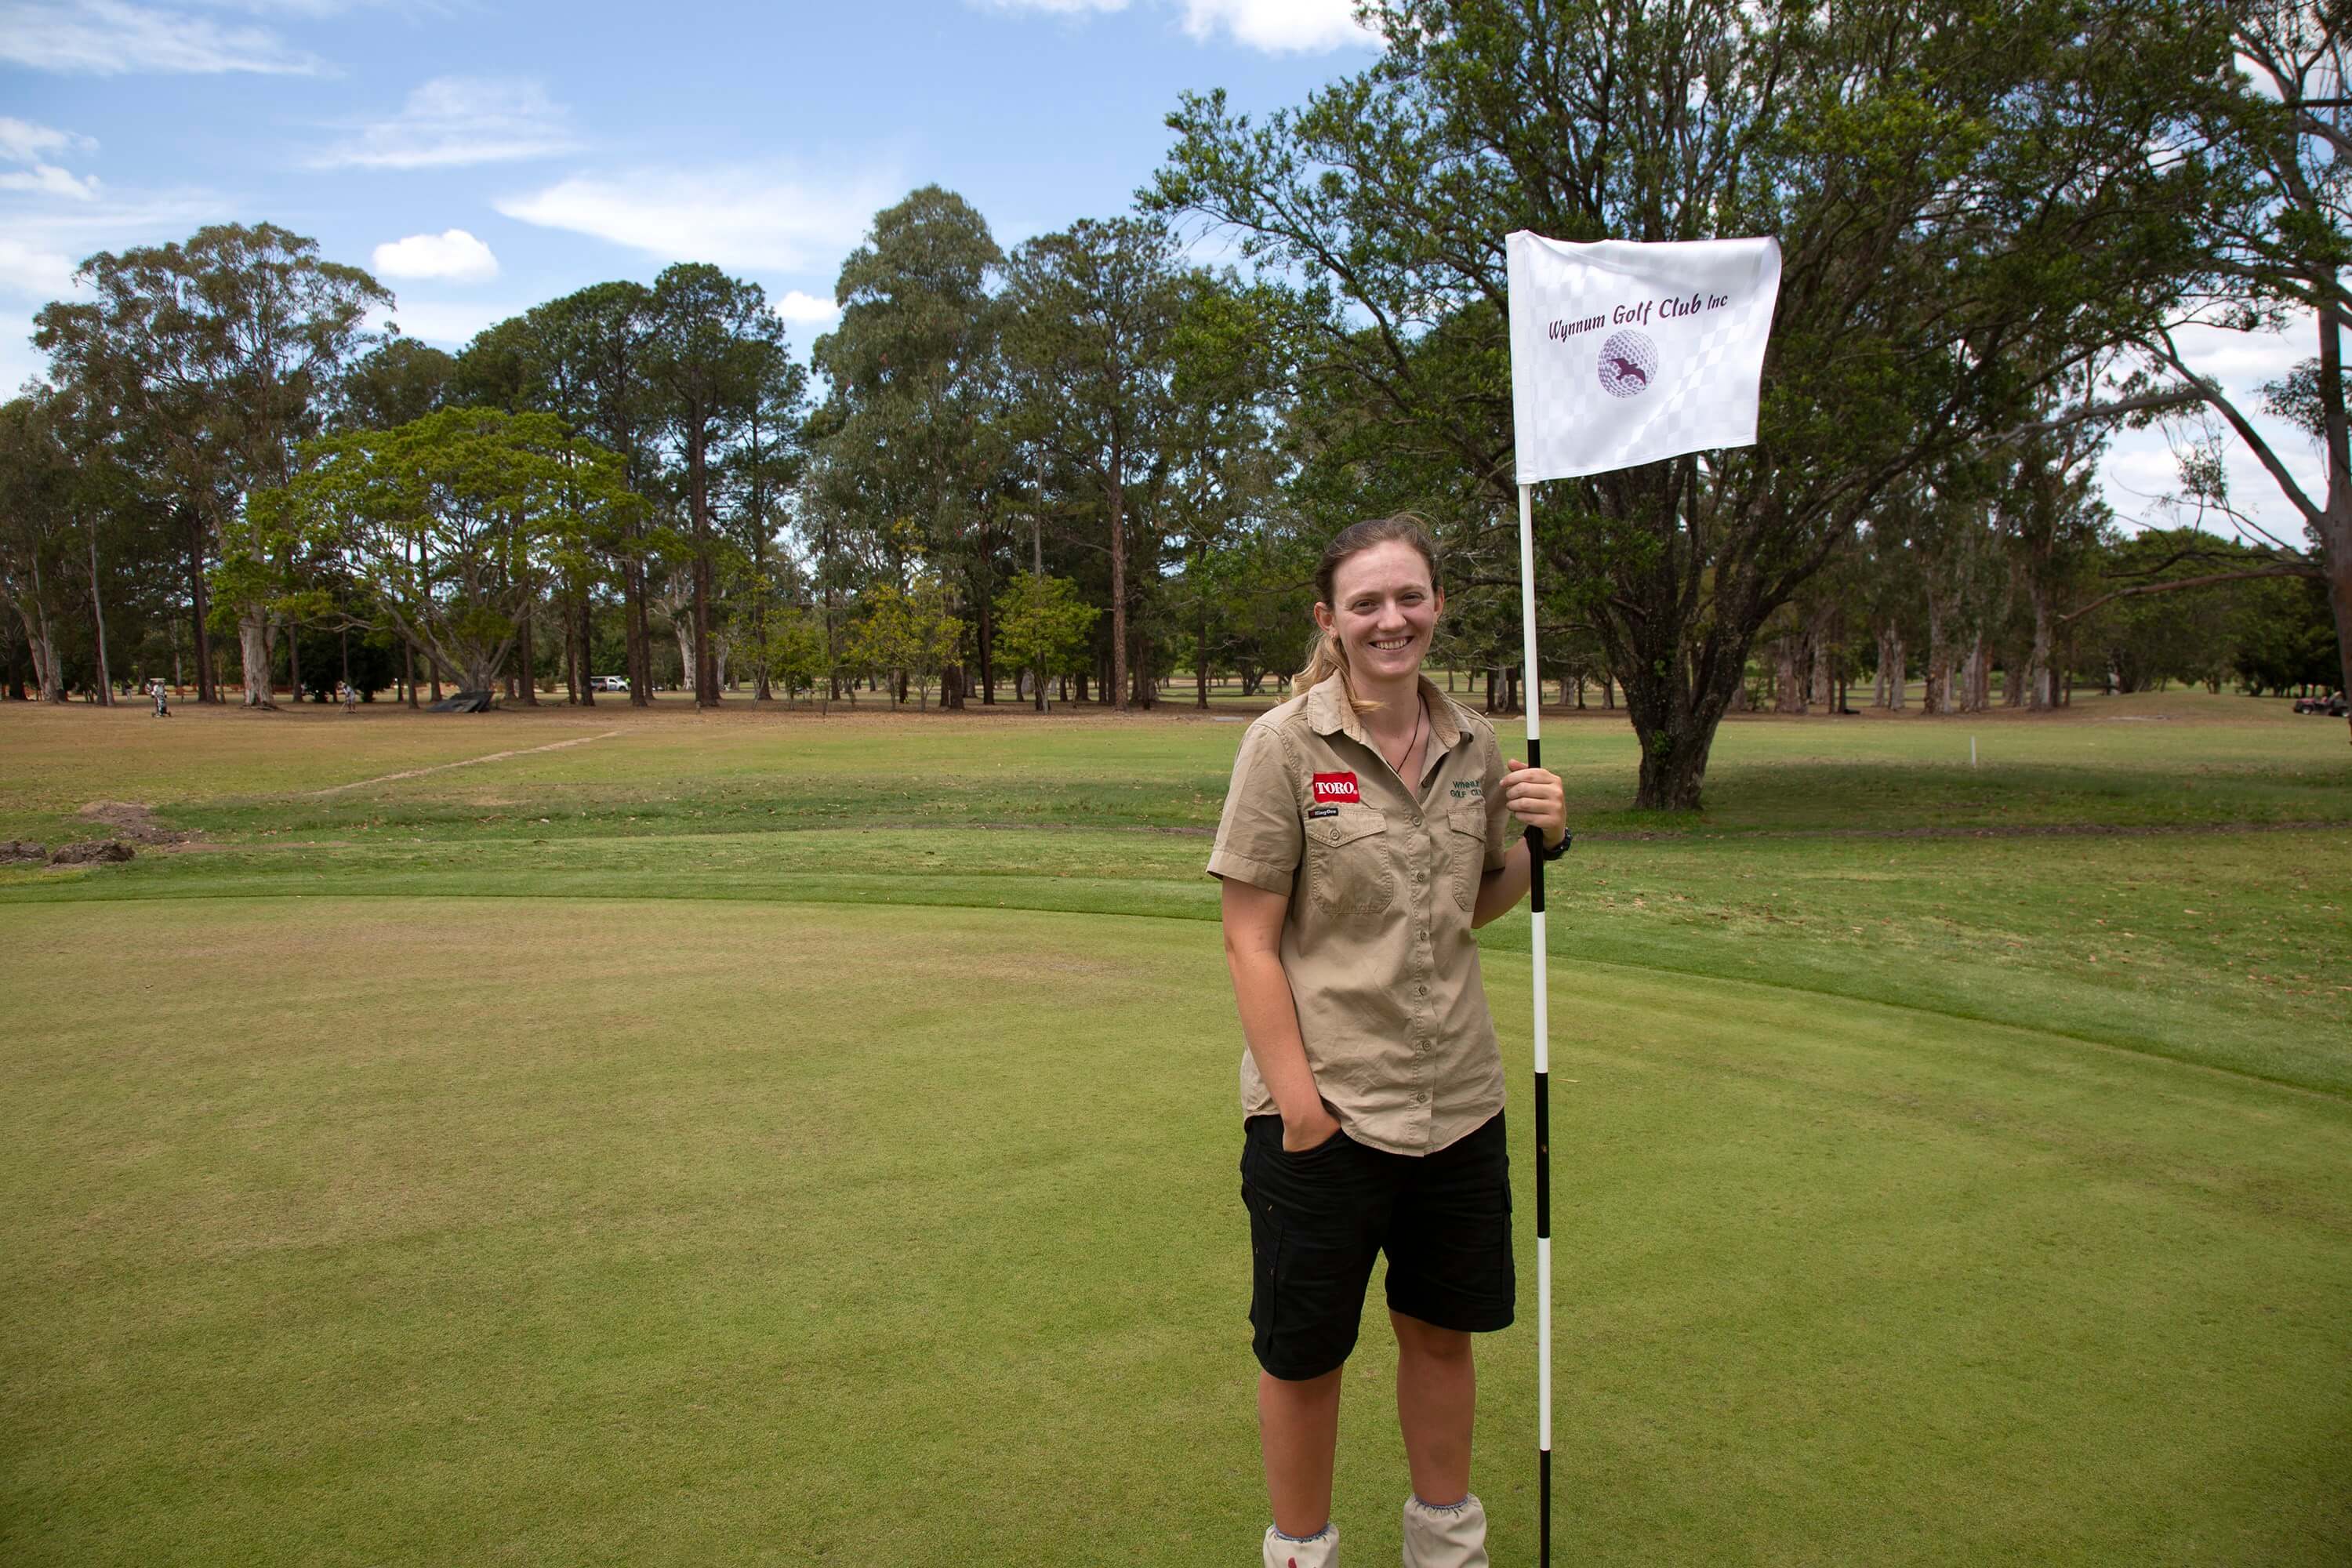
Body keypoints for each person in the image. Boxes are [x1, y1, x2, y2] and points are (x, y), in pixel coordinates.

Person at [1208, 514, 1567, 1568]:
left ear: (1437, 607)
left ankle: (1445, 1549)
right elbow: (1248, 941)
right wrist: (1305, 1113)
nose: (1390, 618)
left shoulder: (1479, 744)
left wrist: (1545, 846)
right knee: (1306, 1357)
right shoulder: (1283, 746)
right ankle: (1303, 1553)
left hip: (1459, 1100)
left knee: (1441, 1334)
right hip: (1327, 1112)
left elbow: (1469, 905)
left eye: (1409, 597)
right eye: (1365, 603)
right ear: (1331, 620)